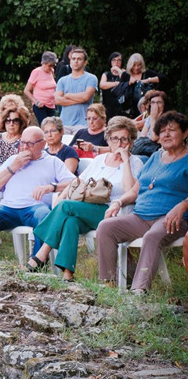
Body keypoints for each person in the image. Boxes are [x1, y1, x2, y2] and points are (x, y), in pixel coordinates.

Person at [31, 117, 142, 280]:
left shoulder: (135, 162)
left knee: (66, 206)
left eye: (124, 139)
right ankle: (68, 275)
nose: (119, 143)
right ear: (108, 139)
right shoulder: (99, 160)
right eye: (114, 138)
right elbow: (78, 181)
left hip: (115, 213)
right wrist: (61, 196)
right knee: (70, 221)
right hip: (90, 209)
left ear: (131, 141)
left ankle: (41, 254)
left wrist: (125, 160)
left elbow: (128, 189)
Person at [96, 111, 188, 294]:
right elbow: (136, 189)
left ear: (185, 133)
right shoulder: (155, 157)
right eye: (162, 131)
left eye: (172, 130)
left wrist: (183, 204)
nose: (166, 135)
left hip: (171, 219)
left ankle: (139, 290)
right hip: (140, 217)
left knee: (152, 237)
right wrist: (118, 202)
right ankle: (108, 283)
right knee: (105, 227)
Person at [0, 126, 76, 260]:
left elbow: (74, 183)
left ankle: (36, 263)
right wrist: (14, 166)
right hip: (7, 207)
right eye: (22, 143)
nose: (24, 147)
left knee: (45, 216)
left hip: (36, 207)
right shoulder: (13, 160)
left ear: (42, 144)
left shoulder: (52, 162)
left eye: (30, 144)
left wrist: (52, 187)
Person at [55, 47, 98, 135]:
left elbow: (86, 97)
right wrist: (79, 99)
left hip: (83, 124)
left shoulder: (91, 78)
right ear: (70, 61)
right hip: (64, 124)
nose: (76, 61)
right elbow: (57, 100)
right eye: (73, 58)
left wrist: (67, 95)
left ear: (85, 62)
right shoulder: (62, 80)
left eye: (79, 59)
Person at [23, 51, 58, 126]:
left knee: (52, 126)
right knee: (45, 126)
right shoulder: (36, 72)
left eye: (53, 65)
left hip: (51, 105)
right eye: (50, 65)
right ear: (43, 63)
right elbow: (26, 90)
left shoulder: (51, 71)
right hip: (41, 106)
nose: (51, 67)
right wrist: (36, 102)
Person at [134, 90, 169, 160]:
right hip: (145, 148)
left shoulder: (167, 119)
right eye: (153, 102)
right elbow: (142, 136)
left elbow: (154, 137)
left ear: (164, 104)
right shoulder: (150, 117)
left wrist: (154, 119)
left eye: (159, 102)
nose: (156, 105)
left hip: (157, 151)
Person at [99, 52, 125, 120]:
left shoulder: (124, 73)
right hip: (108, 106)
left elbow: (125, 82)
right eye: (114, 60)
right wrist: (117, 83)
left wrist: (119, 71)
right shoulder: (106, 74)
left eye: (119, 60)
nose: (116, 62)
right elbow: (102, 85)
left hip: (122, 106)